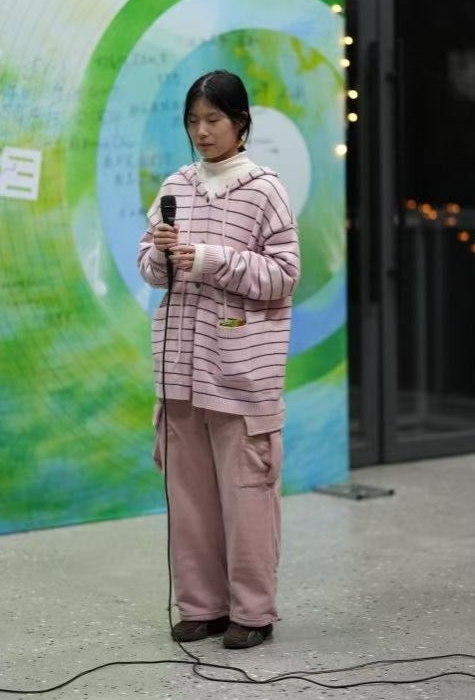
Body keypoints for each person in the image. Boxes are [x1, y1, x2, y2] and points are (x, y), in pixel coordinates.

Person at [137, 70, 301, 650]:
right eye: (193, 121)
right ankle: (202, 607)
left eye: (213, 120)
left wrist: (208, 259)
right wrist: (161, 256)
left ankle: (252, 613)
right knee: (189, 499)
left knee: (247, 495)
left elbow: (283, 276)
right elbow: (150, 269)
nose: (202, 132)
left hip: (240, 374)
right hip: (180, 372)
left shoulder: (264, 189)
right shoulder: (175, 185)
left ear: (241, 123)